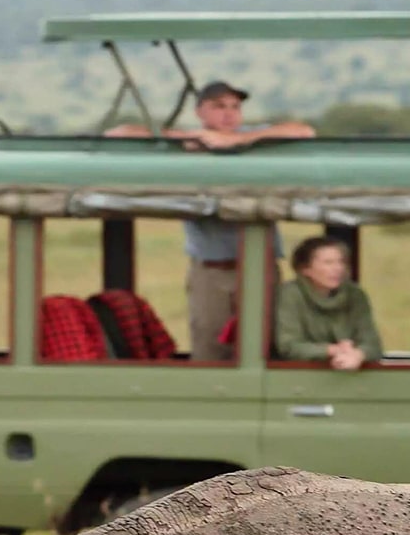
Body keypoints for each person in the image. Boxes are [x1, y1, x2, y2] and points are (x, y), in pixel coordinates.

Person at [108, 81, 315, 360]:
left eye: (235, 107)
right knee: (209, 345)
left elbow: (304, 131)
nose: (229, 114)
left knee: (266, 344)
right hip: (211, 271)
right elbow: (117, 134)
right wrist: (181, 139)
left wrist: (239, 140)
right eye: (218, 107)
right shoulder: (187, 142)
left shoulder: (254, 138)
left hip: (260, 267)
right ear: (200, 113)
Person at [275, 235, 383, 369]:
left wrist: (357, 355)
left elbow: (373, 344)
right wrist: (332, 350)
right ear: (305, 269)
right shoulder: (290, 295)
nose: (338, 268)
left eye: (341, 262)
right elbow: (288, 346)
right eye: (328, 263)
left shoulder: (355, 295)